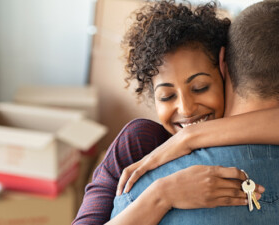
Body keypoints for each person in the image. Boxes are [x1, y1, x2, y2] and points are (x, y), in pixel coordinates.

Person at [72, 1, 279, 224]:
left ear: (224, 69)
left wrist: (188, 138)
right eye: (167, 96)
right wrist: (162, 195)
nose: (186, 109)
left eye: (200, 87)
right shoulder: (139, 143)